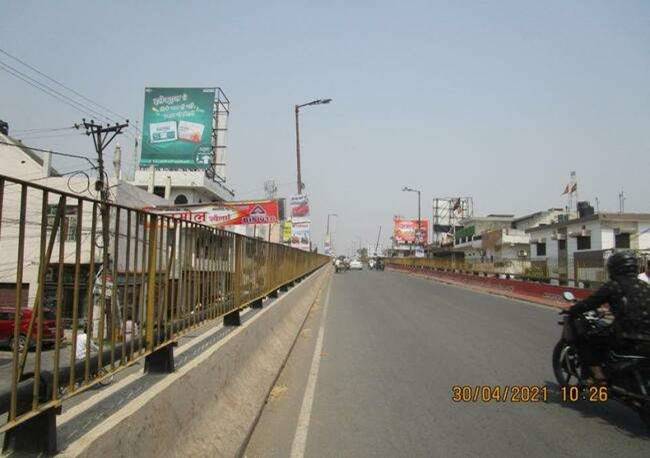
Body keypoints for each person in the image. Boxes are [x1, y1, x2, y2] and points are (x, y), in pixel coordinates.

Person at [568, 251, 650, 384]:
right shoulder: (645, 286)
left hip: (627, 335)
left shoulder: (614, 285)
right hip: (646, 336)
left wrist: (572, 310)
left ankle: (598, 375)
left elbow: (589, 303)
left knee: (588, 338)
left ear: (615, 268)